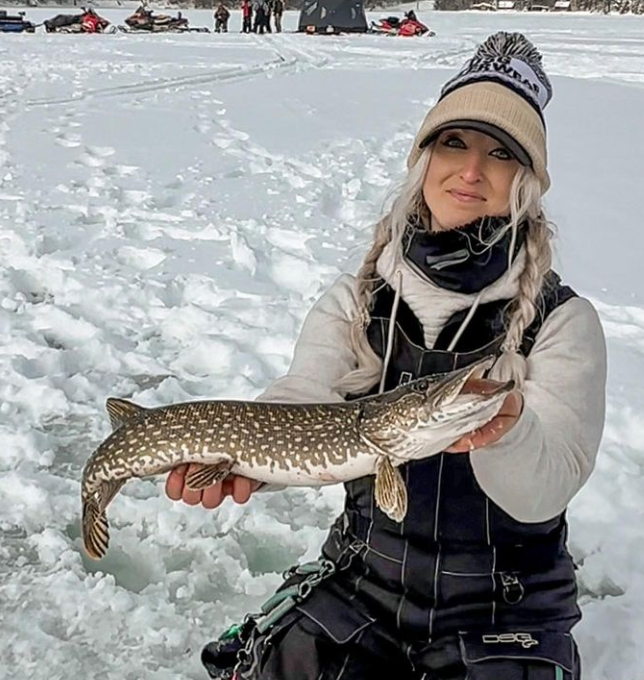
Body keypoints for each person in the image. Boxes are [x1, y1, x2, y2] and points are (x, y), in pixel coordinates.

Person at [166, 32, 607, 680]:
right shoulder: (358, 298)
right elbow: (304, 395)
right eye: (453, 142)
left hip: (503, 615)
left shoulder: (563, 321)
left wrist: (507, 432)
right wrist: (248, 456)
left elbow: (549, 486)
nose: (471, 170)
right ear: (422, 159)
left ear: (527, 181)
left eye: (502, 153)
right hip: (363, 587)